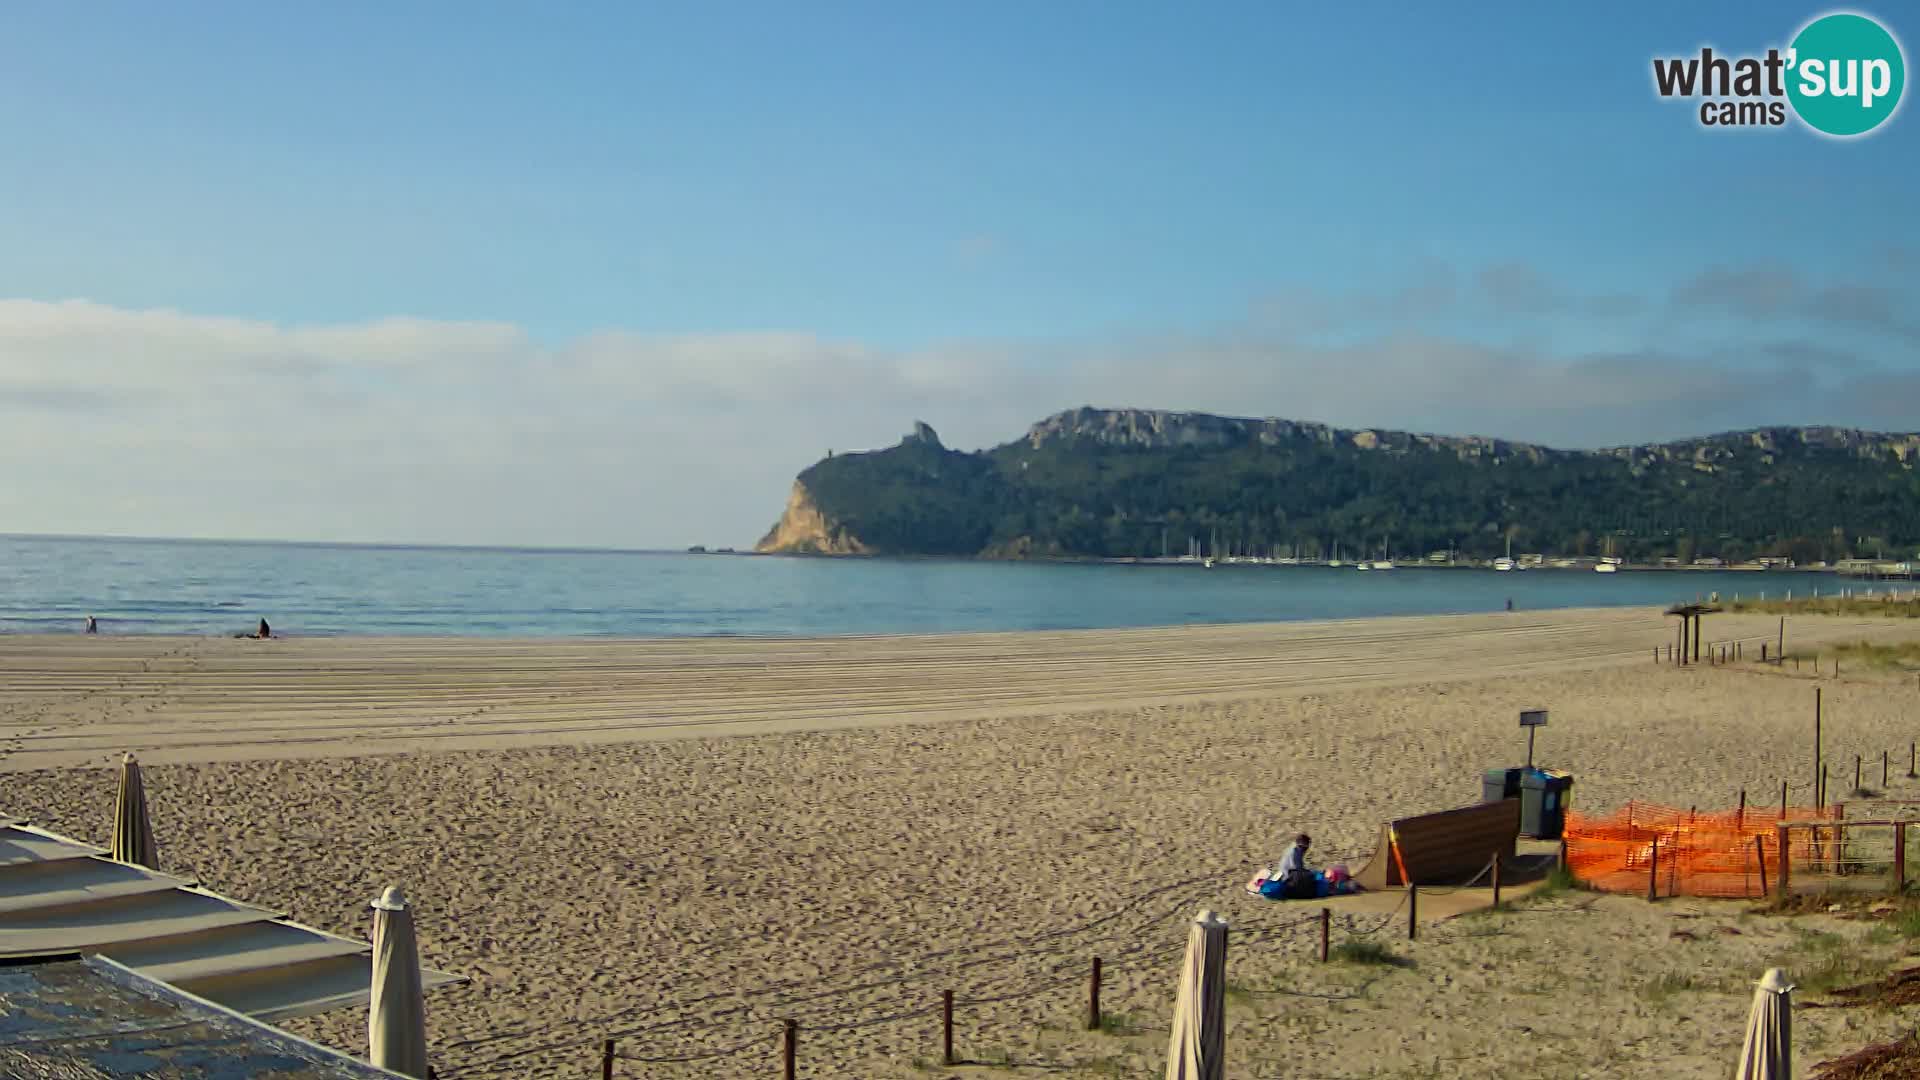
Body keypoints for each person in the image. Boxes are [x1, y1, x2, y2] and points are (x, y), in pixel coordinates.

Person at [1277, 833, 1316, 899]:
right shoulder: (1296, 851)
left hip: (1286, 875)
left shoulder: (1292, 848)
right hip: (1288, 877)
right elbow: (1297, 868)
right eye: (1306, 847)